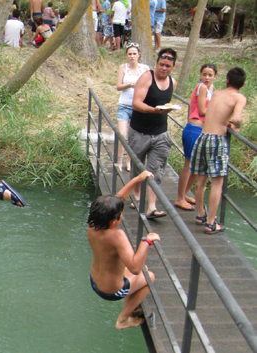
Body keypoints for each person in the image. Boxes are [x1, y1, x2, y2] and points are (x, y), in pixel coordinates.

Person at [88, 170, 159, 330]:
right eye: (120, 215)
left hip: (94, 281)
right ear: (114, 221)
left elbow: (118, 200)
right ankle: (123, 318)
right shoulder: (117, 236)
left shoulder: (93, 224)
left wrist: (137, 179)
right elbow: (134, 268)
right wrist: (146, 241)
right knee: (149, 276)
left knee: (144, 270)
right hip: (111, 291)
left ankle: (131, 308)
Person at [190, 67, 246, 234]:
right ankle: (211, 223)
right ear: (242, 84)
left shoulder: (217, 92)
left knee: (201, 180)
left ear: (227, 80)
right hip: (217, 140)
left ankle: (200, 214)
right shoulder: (239, 97)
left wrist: (226, 122)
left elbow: (213, 114)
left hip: (203, 136)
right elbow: (236, 117)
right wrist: (236, 124)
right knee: (217, 183)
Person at [129, 48, 177, 219]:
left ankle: (151, 207)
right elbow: (136, 103)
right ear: (156, 63)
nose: (164, 68)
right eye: (161, 64)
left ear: (173, 67)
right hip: (140, 131)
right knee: (138, 165)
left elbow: (167, 103)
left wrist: (166, 109)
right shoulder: (147, 78)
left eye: (168, 66)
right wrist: (154, 110)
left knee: (156, 169)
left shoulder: (173, 82)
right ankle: (136, 194)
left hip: (161, 133)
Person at [174, 64, 217, 211]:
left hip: (201, 130)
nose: (207, 77)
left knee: (195, 167)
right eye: (204, 74)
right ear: (200, 75)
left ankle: (184, 194)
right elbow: (203, 111)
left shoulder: (210, 89)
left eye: (210, 75)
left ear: (215, 77)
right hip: (194, 129)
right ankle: (179, 198)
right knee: (189, 165)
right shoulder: (202, 87)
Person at [115, 43, 149, 172]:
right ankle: (119, 161)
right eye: (130, 54)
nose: (132, 56)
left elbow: (149, 85)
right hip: (124, 105)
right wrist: (129, 84)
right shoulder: (123, 67)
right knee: (122, 134)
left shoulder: (144, 68)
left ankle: (129, 161)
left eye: (134, 54)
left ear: (139, 55)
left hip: (138, 106)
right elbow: (118, 86)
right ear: (126, 55)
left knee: (133, 136)